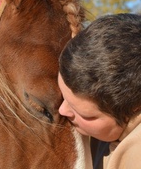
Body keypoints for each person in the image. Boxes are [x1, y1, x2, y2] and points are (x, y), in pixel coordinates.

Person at [58, 13, 141, 169]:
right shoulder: (110, 130)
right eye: (63, 97)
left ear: (133, 109)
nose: (62, 110)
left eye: (85, 114)